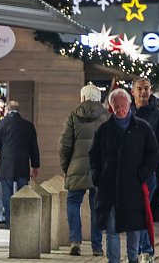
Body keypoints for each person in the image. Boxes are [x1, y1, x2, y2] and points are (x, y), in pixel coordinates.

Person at [90, 88, 159, 263]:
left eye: (123, 105)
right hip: (110, 187)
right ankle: (113, 260)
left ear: (129, 105)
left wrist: (142, 174)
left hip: (133, 186)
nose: (120, 109)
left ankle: (133, 257)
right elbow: (94, 155)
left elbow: (152, 153)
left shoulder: (142, 127)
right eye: (116, 106)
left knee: (134, 227)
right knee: (112, 228)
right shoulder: (104, 130)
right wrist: (97, 176)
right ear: (111, 107)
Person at [60, 84, 111, 256]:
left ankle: (75, 240)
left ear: (82, 98)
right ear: (99, 98)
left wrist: (65, 167)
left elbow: (65, 145)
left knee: (73, 202)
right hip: (100, 170)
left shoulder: (73, 115)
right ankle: (97, 246)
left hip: (76, 167)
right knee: (97, 206)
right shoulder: (107, 117)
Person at [132, 77, 159, 260]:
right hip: (129, 173)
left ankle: (145, 249)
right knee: (136, 211)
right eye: (139, 88)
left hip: (148, 173)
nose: (143, 92)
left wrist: (153, 167)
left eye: (146, 88)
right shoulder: (127, 113)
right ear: (133, 91)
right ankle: (140, 248)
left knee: (143, 210)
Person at [0, 99, 41, 229]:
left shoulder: (2, 124)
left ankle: (11, 222)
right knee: (22, 194)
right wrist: (35, 165)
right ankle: (21, 221)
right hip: (22, 165)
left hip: (6, 165)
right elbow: (34, 147)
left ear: (7, 110)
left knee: (7, 194)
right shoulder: (28, 126)